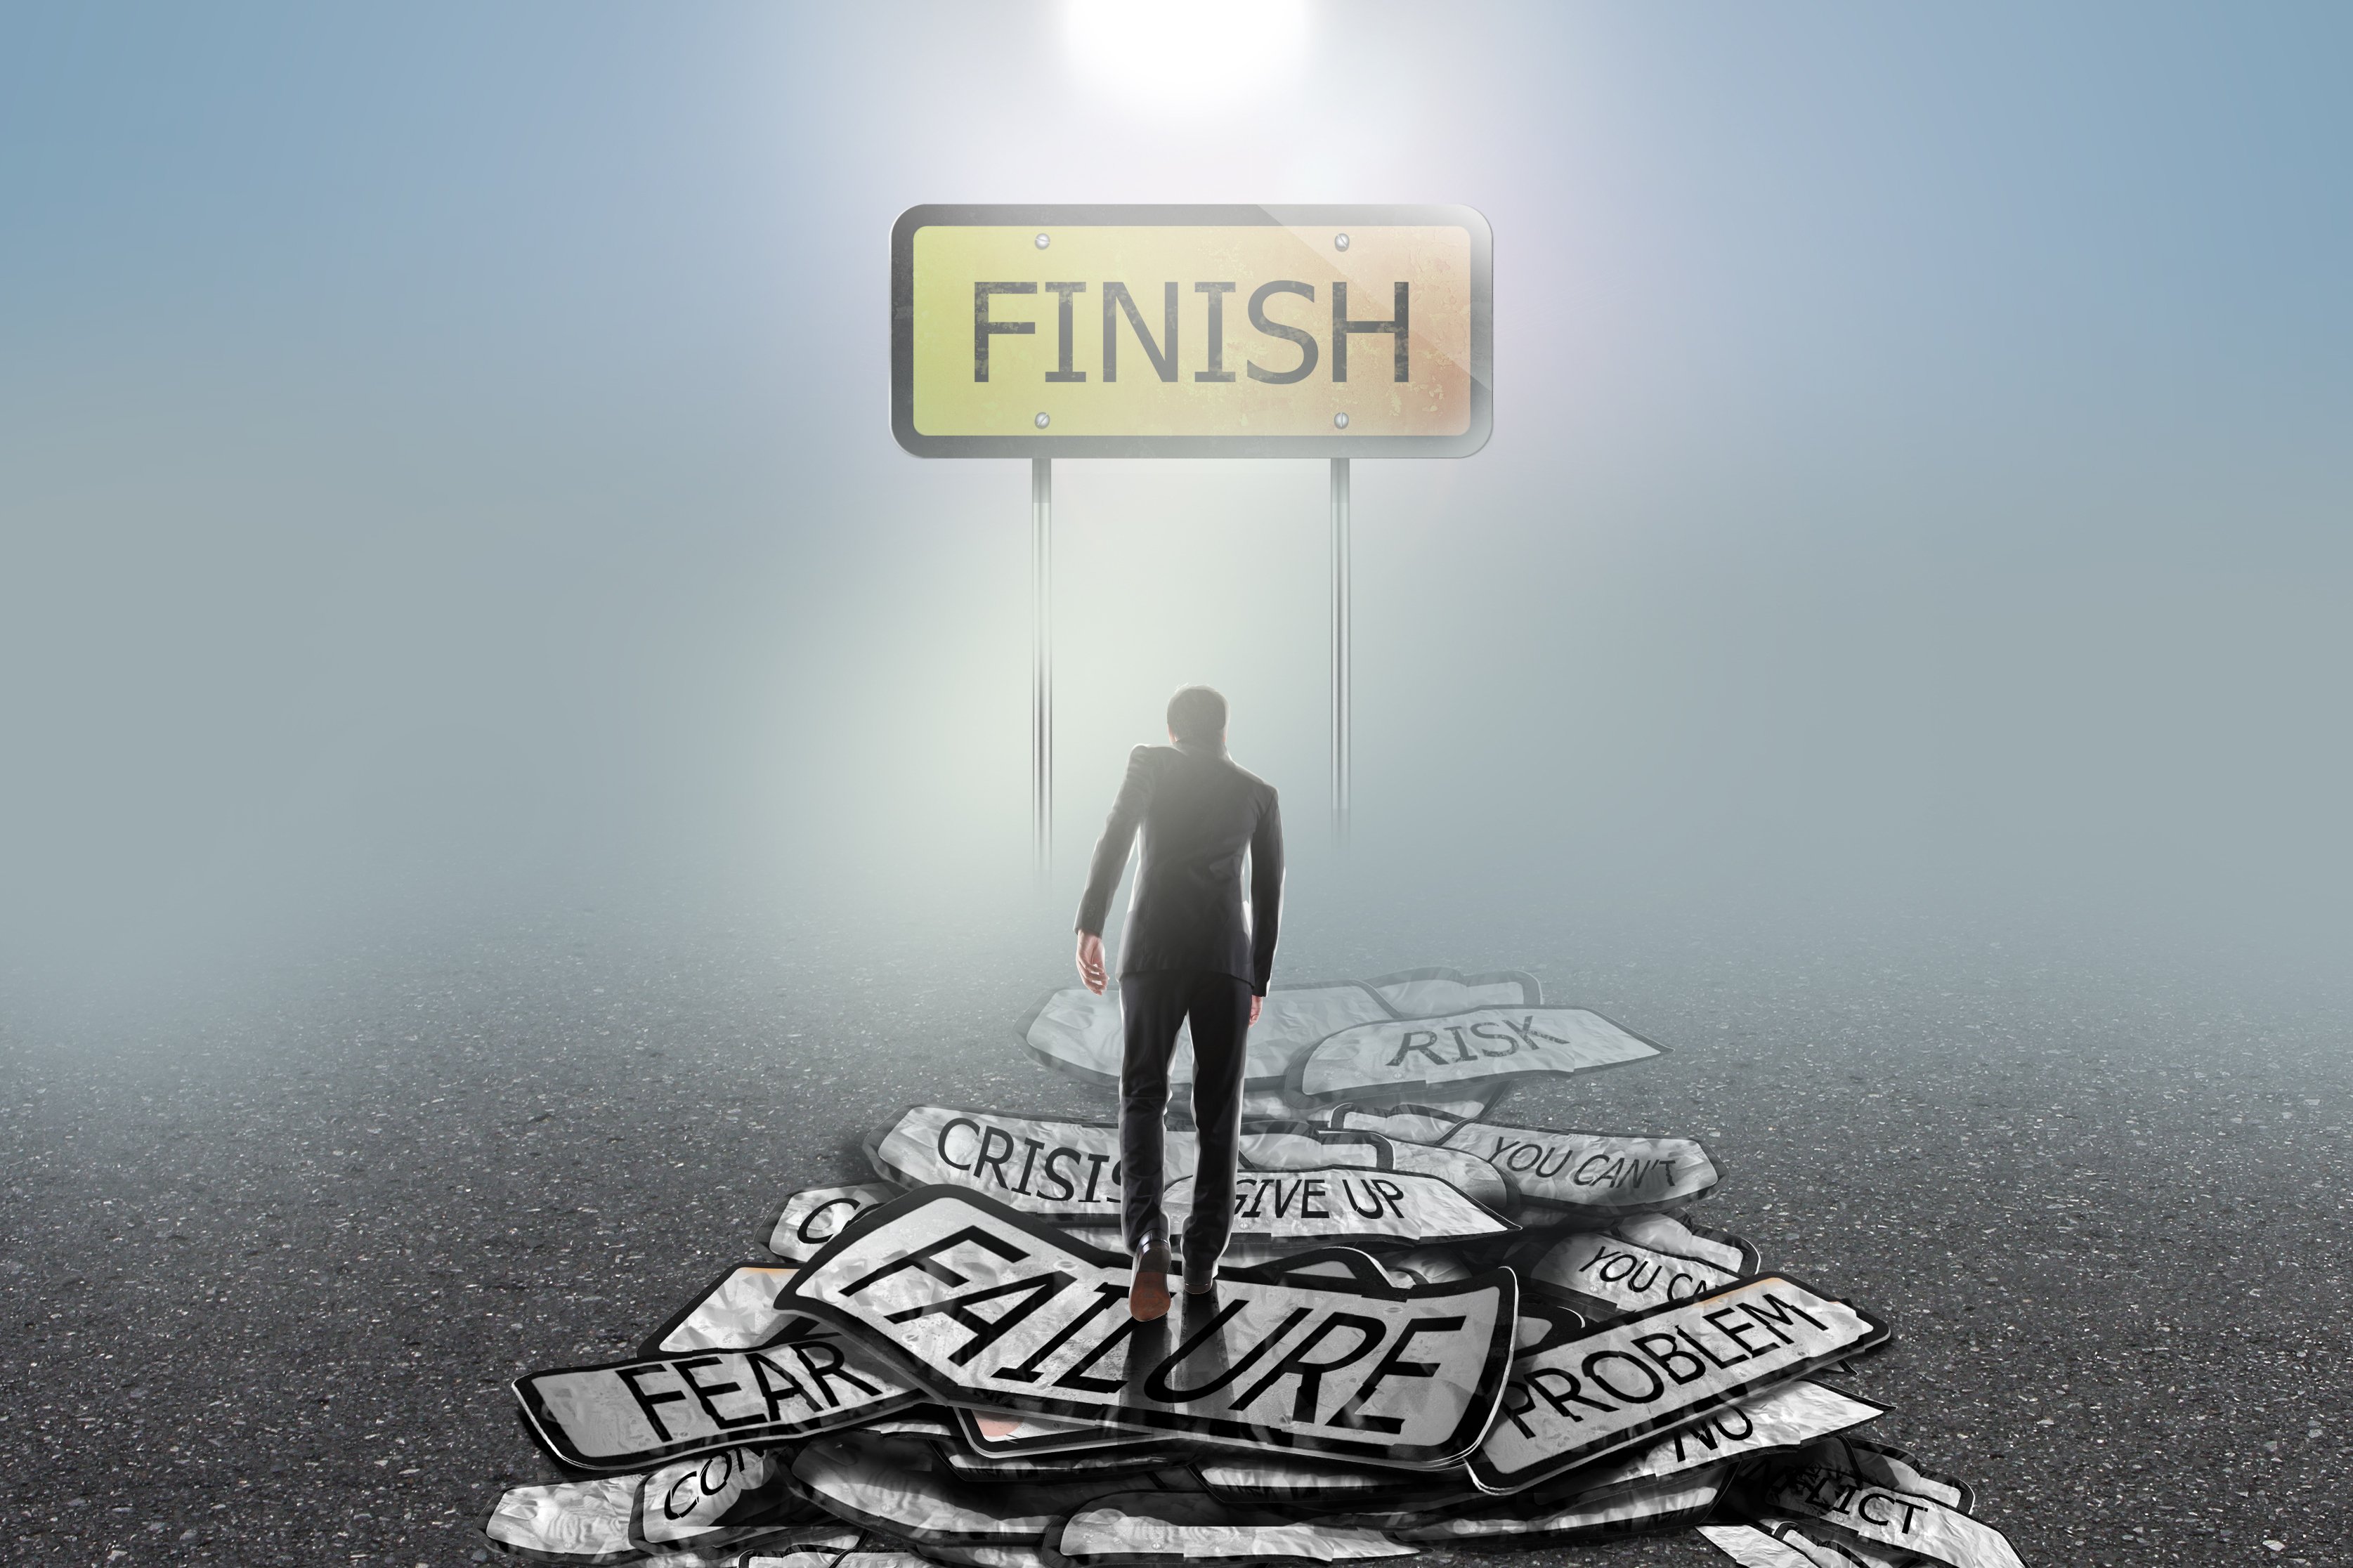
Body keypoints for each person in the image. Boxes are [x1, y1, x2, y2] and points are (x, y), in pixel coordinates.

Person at [1074, 685, 1283, 1322]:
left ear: (1173, 732)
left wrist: (1090, 922)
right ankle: (1201, 1262)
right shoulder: (1259, 793)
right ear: (1224, 733)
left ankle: (1147, 1238)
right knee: (1218, 1110)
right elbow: (1268, 892)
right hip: (1224, 962)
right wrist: (1258, 978)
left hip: (1153, 952)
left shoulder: (1152, 762)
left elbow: (1115, 837)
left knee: (1143, 1093)